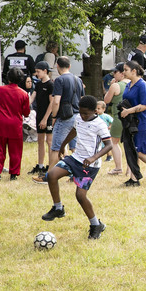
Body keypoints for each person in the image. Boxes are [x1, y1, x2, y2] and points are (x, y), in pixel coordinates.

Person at [39, 95, 113, 240]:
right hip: (75, 158)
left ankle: (95, 225)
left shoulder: (100, 124)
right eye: (81, 112)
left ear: (95, 112)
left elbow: (109, 145)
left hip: (90, 165)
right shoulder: (79, 118)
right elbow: (74, 130)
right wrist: (62, 145)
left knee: (80, 196)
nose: (83, 116)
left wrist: (93, 157)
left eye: (86, 113)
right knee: (51, 175)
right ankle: (58, 208)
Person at [45, 56, 84, 173]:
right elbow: (82, 99)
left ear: (57, 66)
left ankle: (49, 174)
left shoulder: (59, 80)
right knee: (74, 147)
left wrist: (54, 116)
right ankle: (77, 172)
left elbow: (56, 101)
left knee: (56, 147)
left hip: (65, 117)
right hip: (78, 116)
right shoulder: (78, 80)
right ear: (69, 66)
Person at [28, 62, 55, 176]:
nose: (36, 74)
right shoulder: (38, 85)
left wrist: (45, 119)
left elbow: (52, 103)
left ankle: (51, 165)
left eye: (38, 71)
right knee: (40, 141)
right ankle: (40, 165)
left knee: (49, 141)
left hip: (47, 117)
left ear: (45, 71)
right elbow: (32, 98)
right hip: (39, 115)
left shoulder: (50, 85)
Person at [102, 63, 127, 176]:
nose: (113, 74)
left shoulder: (116, 86)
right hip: (130, 117)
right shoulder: (132, 84)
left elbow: (106, 100)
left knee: (114, 142)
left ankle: (118, 168)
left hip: (118, 117)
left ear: (122, 73)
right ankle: (131, 170)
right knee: (130, 144)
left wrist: (111, 86)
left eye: (115, 72)